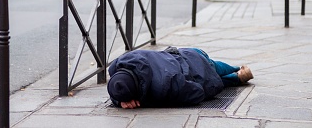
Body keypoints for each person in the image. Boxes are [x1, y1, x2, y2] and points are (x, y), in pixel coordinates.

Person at [107, 47, 253, 109]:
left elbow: (198, 93)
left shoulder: (161, 86)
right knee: (216, 65)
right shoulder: (122, 61)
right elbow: (117, 85)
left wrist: (146, 102)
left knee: (214, 81)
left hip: (202, 73)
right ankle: (235, 68)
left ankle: (236, 77)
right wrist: (118, 100)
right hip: (187, 53)